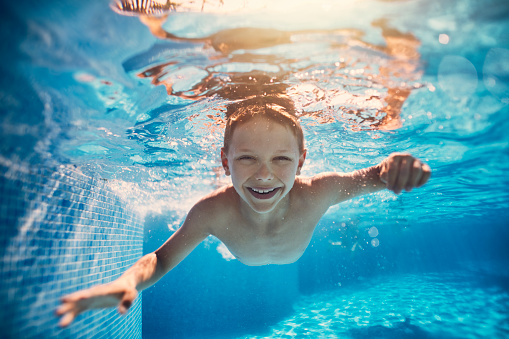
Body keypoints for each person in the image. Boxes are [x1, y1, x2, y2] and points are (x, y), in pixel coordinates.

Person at [56, 96, 430, 327]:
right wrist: (129, 281)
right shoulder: (211, 212)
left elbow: (371, 176)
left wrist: (396, 169)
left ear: (302, 161)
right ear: (225, 161)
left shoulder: (317, 193)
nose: (264, 175)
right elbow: (161, 259)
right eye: (247, 158)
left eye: (281, 159)